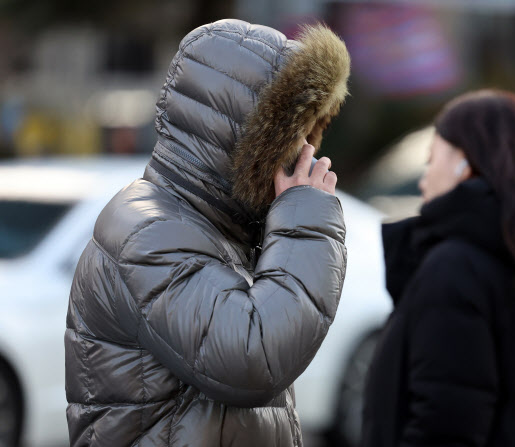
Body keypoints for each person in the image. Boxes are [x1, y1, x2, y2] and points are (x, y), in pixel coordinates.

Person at [65, 19, 350, 446]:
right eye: (292, 138)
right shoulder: (147, 231)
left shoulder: (219, 231)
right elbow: (253, 358)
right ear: (241, 140)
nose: (308, 153)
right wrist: (307, 219)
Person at [362, 89, 515, 447]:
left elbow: (445, 428)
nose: (423, 179)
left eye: (431, 160)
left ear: (465, 164)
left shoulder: (454, 269)